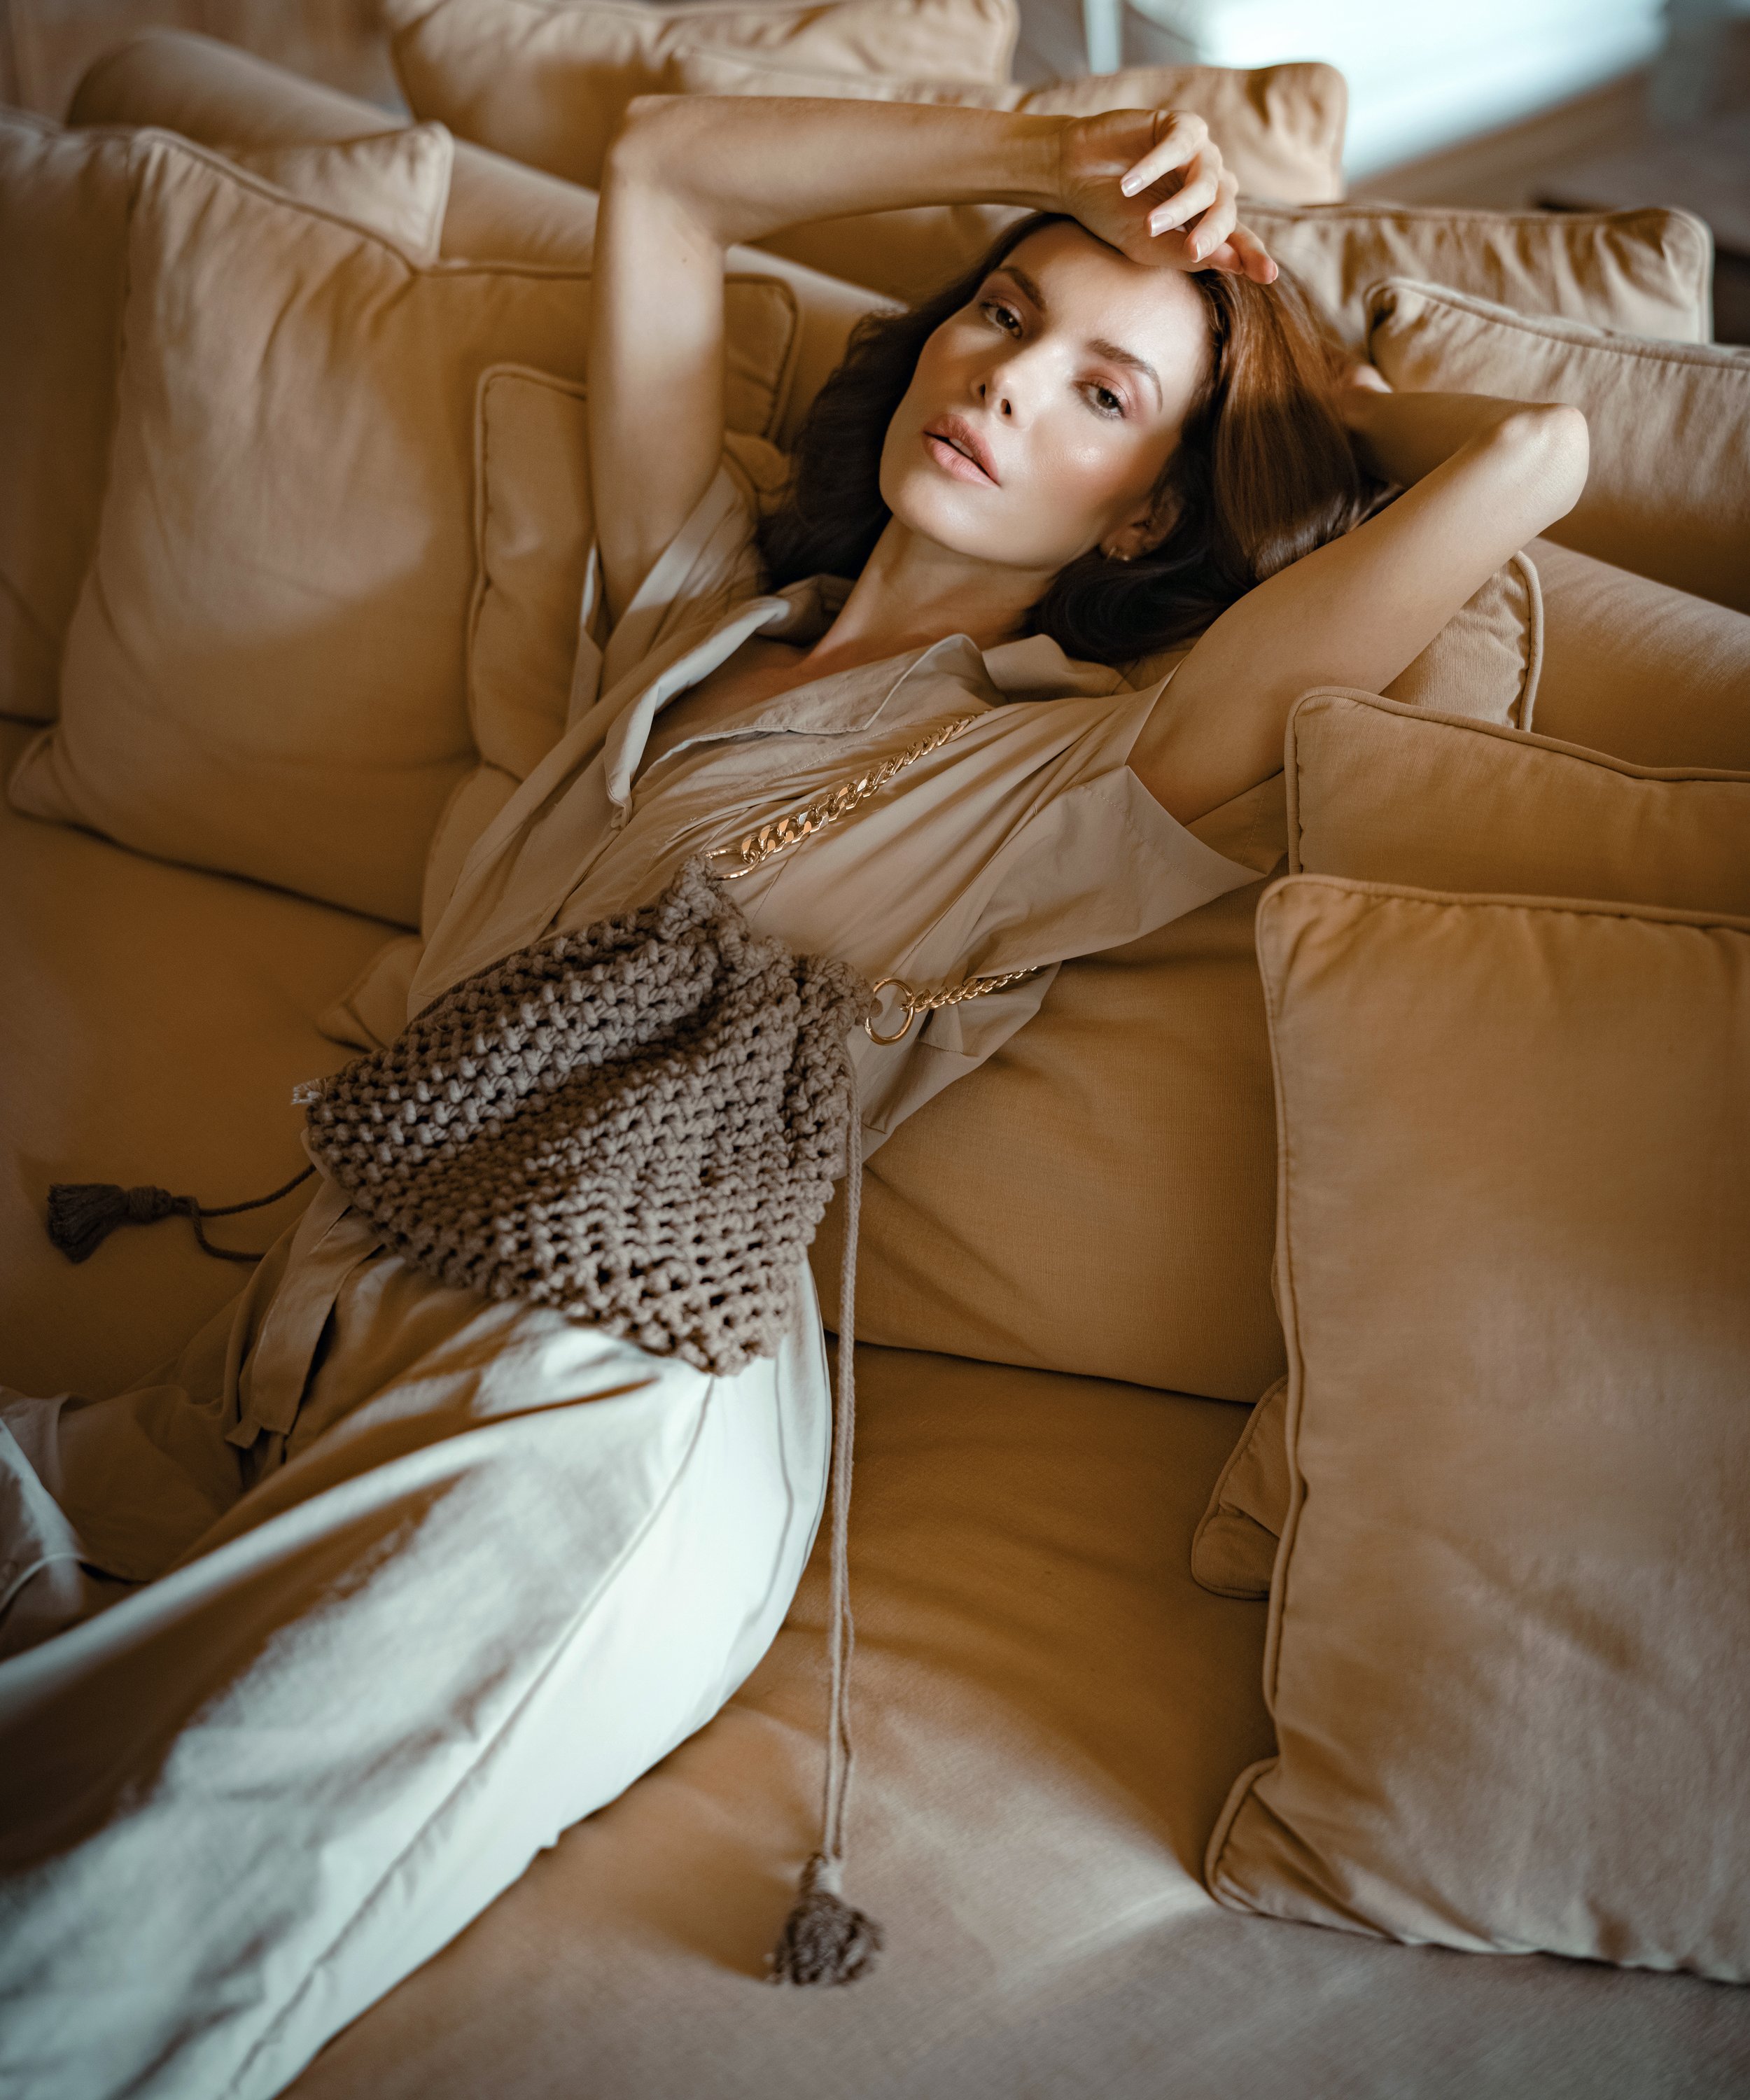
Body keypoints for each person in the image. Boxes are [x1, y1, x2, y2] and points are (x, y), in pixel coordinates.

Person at [0, 94, 1589, 2100]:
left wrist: (1310, 350)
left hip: (602, 1377)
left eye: (1099, 393)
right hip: (297, 1339)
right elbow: (668, 171)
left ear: (1138, 511)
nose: (1006, 382)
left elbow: (1544, 459)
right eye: (1001, 314)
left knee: (145, 1922)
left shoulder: (1091, 776)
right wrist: (1057, 144)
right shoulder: (693, 606)